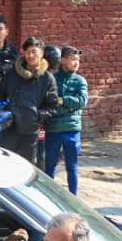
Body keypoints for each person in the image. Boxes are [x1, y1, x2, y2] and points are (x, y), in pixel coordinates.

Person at [0, 37, 59, 163]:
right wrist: (3, 112)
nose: (31, 55)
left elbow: (53, 107)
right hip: (10, 128)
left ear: (41, 53)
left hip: (31, 131)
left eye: (34, 52)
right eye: (27, 52)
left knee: (26, 166)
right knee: (6, 164)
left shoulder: (47, 79)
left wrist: (36, 115)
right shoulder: (12, 74)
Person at [45, 45, 88, 194]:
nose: (76, 62)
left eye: (78, 60)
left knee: (72, 166)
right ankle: (49, 196)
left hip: (72, 130)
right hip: (53, 128)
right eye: (73, 59)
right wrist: (70, 105)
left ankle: (73, 197)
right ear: (63, 60)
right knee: (50, 165)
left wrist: (63, 101)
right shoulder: (52, 79)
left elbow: (82, 101)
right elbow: (50, 101)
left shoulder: (80, 81)